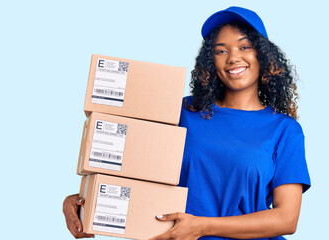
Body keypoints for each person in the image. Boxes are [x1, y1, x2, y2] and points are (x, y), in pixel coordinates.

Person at [63, 6, 311, 240]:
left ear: (263, 55)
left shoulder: (284, 130)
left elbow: (286, 219)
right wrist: (85, 198)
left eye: (244, 47)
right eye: (221, 50)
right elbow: (135, 165)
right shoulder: (184, 111)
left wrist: (202, 226)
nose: (233, 58)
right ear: (210, 61)